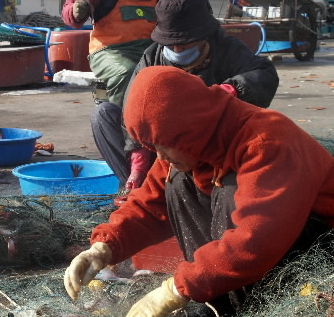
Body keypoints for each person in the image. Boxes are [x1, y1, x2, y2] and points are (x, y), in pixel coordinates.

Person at [65, 65, 334, 317]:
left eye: (165, 146)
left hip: (318, 242)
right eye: (153, 147)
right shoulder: (185, 146)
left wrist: (176, 289)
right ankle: (222, 302)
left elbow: (257, 239)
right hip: (264, 245)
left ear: (190, 130)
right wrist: (105, 247)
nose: (161, 157)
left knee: (228, 190)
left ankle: (258, 303)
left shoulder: (266, 142)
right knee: (178, 182)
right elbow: (148, 205)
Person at [91, 0, 279, 190]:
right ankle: (138, 186)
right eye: (172, 44)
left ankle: (195, 188)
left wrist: (227, 92)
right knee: (103, 115)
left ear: (204, 33)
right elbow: (132, 109)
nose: (178, 49)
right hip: (161, 149)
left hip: (206, 149)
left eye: (184, 42)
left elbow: (264, 74)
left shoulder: (226, 49)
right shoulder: (152, 57)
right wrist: (138, 156)